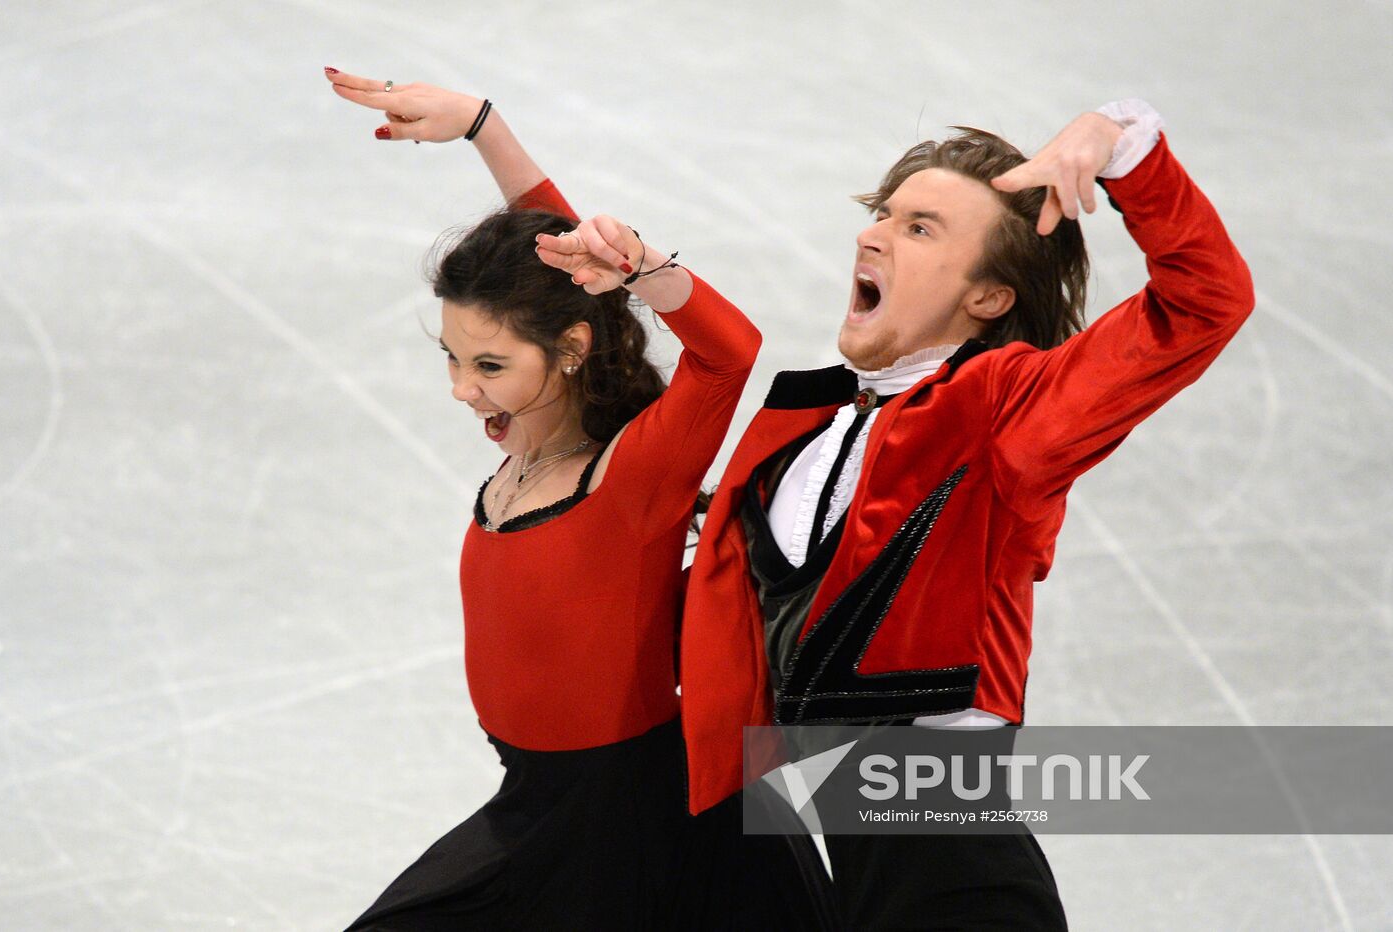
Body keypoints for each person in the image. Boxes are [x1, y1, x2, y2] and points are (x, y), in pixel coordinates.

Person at [677, 99, 1255, 930]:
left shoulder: (1006, 410)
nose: (872, 235)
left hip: (956, 875)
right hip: (826, 869)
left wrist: (1124, 147)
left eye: (920, 229)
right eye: (883, 214)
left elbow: (1203, 305)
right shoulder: (805, 435)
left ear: (989, 296)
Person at [324, 69, 837, 931]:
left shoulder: (629, 478)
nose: (462, 389)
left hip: (630, 824)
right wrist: (485, 127)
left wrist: (644, 266)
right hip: (540, 801)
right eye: (451, 358)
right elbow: (558, 259)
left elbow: (730, 353)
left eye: (489, 367)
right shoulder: (532, 444)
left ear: (569, 351)